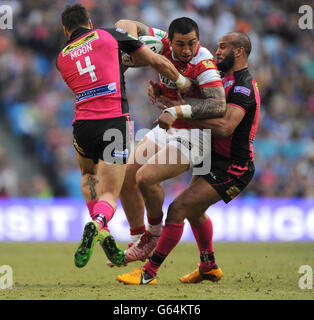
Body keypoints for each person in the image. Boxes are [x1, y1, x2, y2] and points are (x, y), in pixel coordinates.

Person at [117, 31, 260, 285]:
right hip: (213, 155)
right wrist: (163, 92)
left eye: (223, 48)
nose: (217, 52)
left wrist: (179, 114)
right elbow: (196, 99)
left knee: (179, 208)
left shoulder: (243, 87)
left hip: (232, 167)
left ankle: (148, 272)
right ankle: (209, 266)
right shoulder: (222, 77)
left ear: (239, 52)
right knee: (195, 211)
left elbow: (226, 127)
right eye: (217, 47)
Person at [56, 4, 191, 268]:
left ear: (65, 30)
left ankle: (101, 227)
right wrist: (183, 82)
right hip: (113, 121)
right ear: (90, 22)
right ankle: (98, 223)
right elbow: (154, 60)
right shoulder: (107, 35)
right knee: (110, 193)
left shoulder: (61, 57)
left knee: (88, 175)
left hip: (82, 125)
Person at [112, 18, 226, 266]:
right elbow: (124, 22)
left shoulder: (203, 63)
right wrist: (130, 46)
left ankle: (152, 236)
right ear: (170, 40)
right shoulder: (161, 42)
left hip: (196, 134)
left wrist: (177, 109)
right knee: (127, 175)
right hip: (170, 126)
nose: (187, 50)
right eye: (181, 44)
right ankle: (138, 238)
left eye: (192, 43)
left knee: (145, 178)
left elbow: (218, 105)